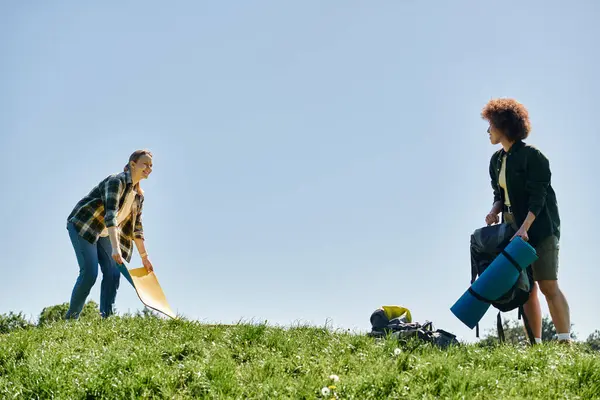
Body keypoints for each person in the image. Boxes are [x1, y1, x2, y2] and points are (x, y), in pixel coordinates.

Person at [481, 98, 571, 343]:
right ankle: (536, 345)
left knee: (547, 285)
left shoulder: (533, 156)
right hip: (514, 229)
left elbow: (538, 197)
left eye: (491, 125)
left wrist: (525, 228)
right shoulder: (496, 161)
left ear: (504, 125)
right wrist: (494, 210)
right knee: (527, 289)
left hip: (540, 228)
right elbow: (499, 195)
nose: (487, 131)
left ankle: (565, 341)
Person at [64, 149, 154, 319]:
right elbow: (110, 215)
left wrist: (144, 257)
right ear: (133, 164)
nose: (149, 168)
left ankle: (107, 319)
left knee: (113, 272)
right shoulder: (116, 181)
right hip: (84, 225)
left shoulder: (138, 197)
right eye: (145, 164)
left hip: (104, 233)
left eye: (151, 165)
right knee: (90, 274)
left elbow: (137, 228)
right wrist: (116, 248)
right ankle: (70, 319)